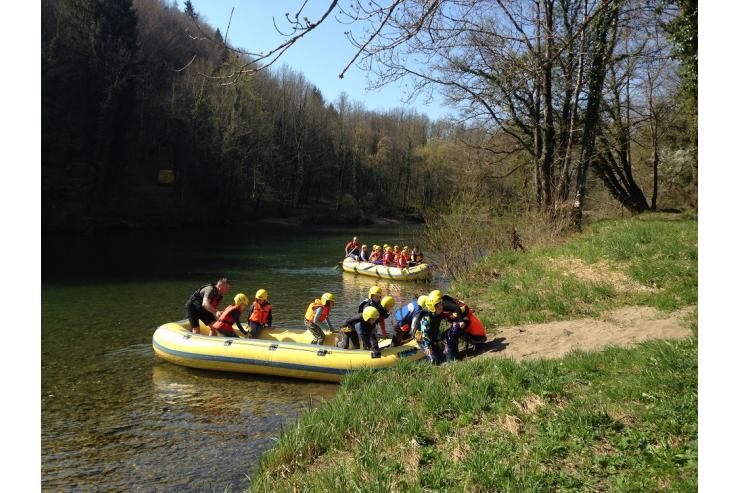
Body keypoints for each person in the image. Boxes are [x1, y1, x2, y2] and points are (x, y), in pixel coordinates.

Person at [417, 296, 445, 365]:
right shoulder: (426, 318)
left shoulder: (437, 315)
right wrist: (428, 347)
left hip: (432, 339)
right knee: (434, 360)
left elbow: (436, 330)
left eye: (441, 304)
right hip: (423, 340)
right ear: (432, 307)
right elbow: (424, 334)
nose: (441, 307)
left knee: (442, 357)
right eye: (438, 306)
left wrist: (438, 341)